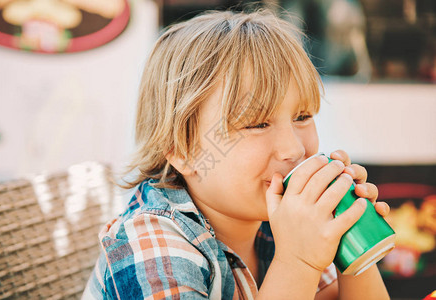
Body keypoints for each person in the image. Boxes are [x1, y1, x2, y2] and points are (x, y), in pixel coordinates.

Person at [82, 9, 391, 299]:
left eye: (302, 116)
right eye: (257, 124)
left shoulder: (285, 221)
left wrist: (354, 247)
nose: (294, 149)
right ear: (183, 151)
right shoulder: (149, 243)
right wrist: (298, 261)